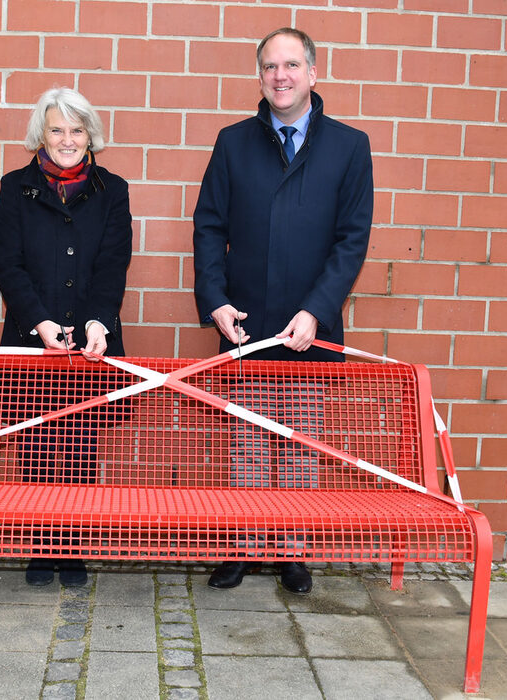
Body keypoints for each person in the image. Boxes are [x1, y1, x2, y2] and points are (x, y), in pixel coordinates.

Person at [193, 28, 374, 594]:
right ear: (260, 76)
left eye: (292, 65)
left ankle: (293, 550)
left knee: (301, 441)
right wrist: (216, 301)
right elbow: (208, 228)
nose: (281, 76)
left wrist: (317, 311)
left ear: (313, 73)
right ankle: (243, 546)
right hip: (245, 323)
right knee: (246, 442)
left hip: (309, 328)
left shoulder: (348, 146)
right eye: (270, 66)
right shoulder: (233, 142)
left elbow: (352, 239)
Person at [0, 87, 133, 587]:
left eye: (77, 129)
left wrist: (99, 321)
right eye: (57, 129)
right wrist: (39, 323)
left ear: (90, 134)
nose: (67, 139)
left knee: (78, 446)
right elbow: (8, 265)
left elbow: (113, 265)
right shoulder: (15, 187)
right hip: (32, 339)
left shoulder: (112, 190)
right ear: (42, 135)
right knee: (32, 448)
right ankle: (40, 547)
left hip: (91, 343)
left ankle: (71, 547)